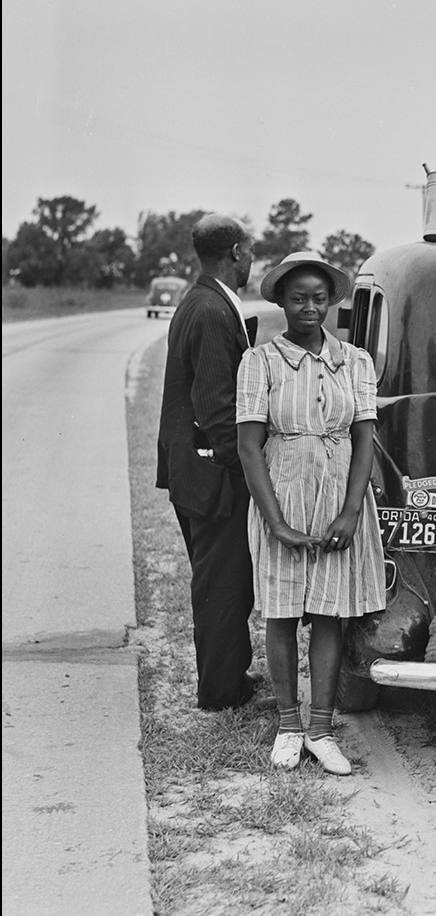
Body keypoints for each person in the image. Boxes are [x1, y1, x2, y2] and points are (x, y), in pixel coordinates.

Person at [236, 251, 387, 774]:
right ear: (280, 300)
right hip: (284, 491)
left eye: (319, 299)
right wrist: (276, 521)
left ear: (331, 303)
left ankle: (321, 729)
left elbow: (364, 437)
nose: (309, 308)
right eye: (298, 298)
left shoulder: (356, 362)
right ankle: (287, 725)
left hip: (339, 497)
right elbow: (250, 446)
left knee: (328, 612)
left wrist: (349, 511)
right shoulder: (261, 362)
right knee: (280, 612)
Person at [156, 213, 262, 711]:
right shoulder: (213, 310)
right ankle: (221, 691)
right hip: (213, 473)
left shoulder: (200, 300)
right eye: (251, 252)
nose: (251, 261)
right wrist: (247, 472)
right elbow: (219, 408)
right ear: (236, 252)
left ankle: (227, 679)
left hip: (194, 467)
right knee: (223, 583)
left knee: (220, 578)